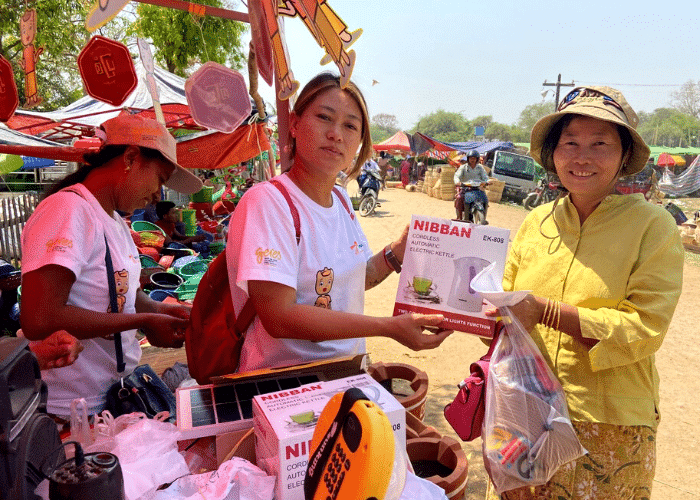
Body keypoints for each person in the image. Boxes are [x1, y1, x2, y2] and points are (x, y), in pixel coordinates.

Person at [484, 87, 684, 499]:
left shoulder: (653, 226)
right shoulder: (536, 221)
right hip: (523, 411)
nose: (582, 157)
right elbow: (507, 304)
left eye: (600, 144)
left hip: (607, 426)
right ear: (553, 153)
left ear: (625, 155)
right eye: (570, 143)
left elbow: (645, 327)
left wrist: (546, 312)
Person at [226, 72, 452, 372]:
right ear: (294, 124)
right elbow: (278, 316)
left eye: (350, 125)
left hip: (344, 375)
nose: (336, 134)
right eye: (324, 117)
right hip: (286, 384)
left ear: (359, 142)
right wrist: (388, 327)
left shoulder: (342, 200)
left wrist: (397, 251)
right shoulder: (268, 203)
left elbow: (349, 281)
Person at [20, 114, 203, 418]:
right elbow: (41, 318)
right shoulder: (68, 210)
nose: (159, 194)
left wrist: (155, 311)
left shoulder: (115, 221)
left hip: (114, 398)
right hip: (73, 409)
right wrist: (140, 320)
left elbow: (121, 291)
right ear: (131, 157)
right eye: (160, 178)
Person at [453, 150, 490, 221]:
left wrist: (487, 181)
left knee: (485, 200)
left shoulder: (480, 168)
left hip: (478, 188)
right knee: (459, 198)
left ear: (477, 159)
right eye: (471, 158)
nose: (472, 160)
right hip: (465, 188)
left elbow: (485, 177)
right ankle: (459, 217)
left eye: (474, 158)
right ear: (468, 159)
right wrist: (458, 182)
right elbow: (457, 175)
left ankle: (483, 218)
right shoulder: (463, 167)